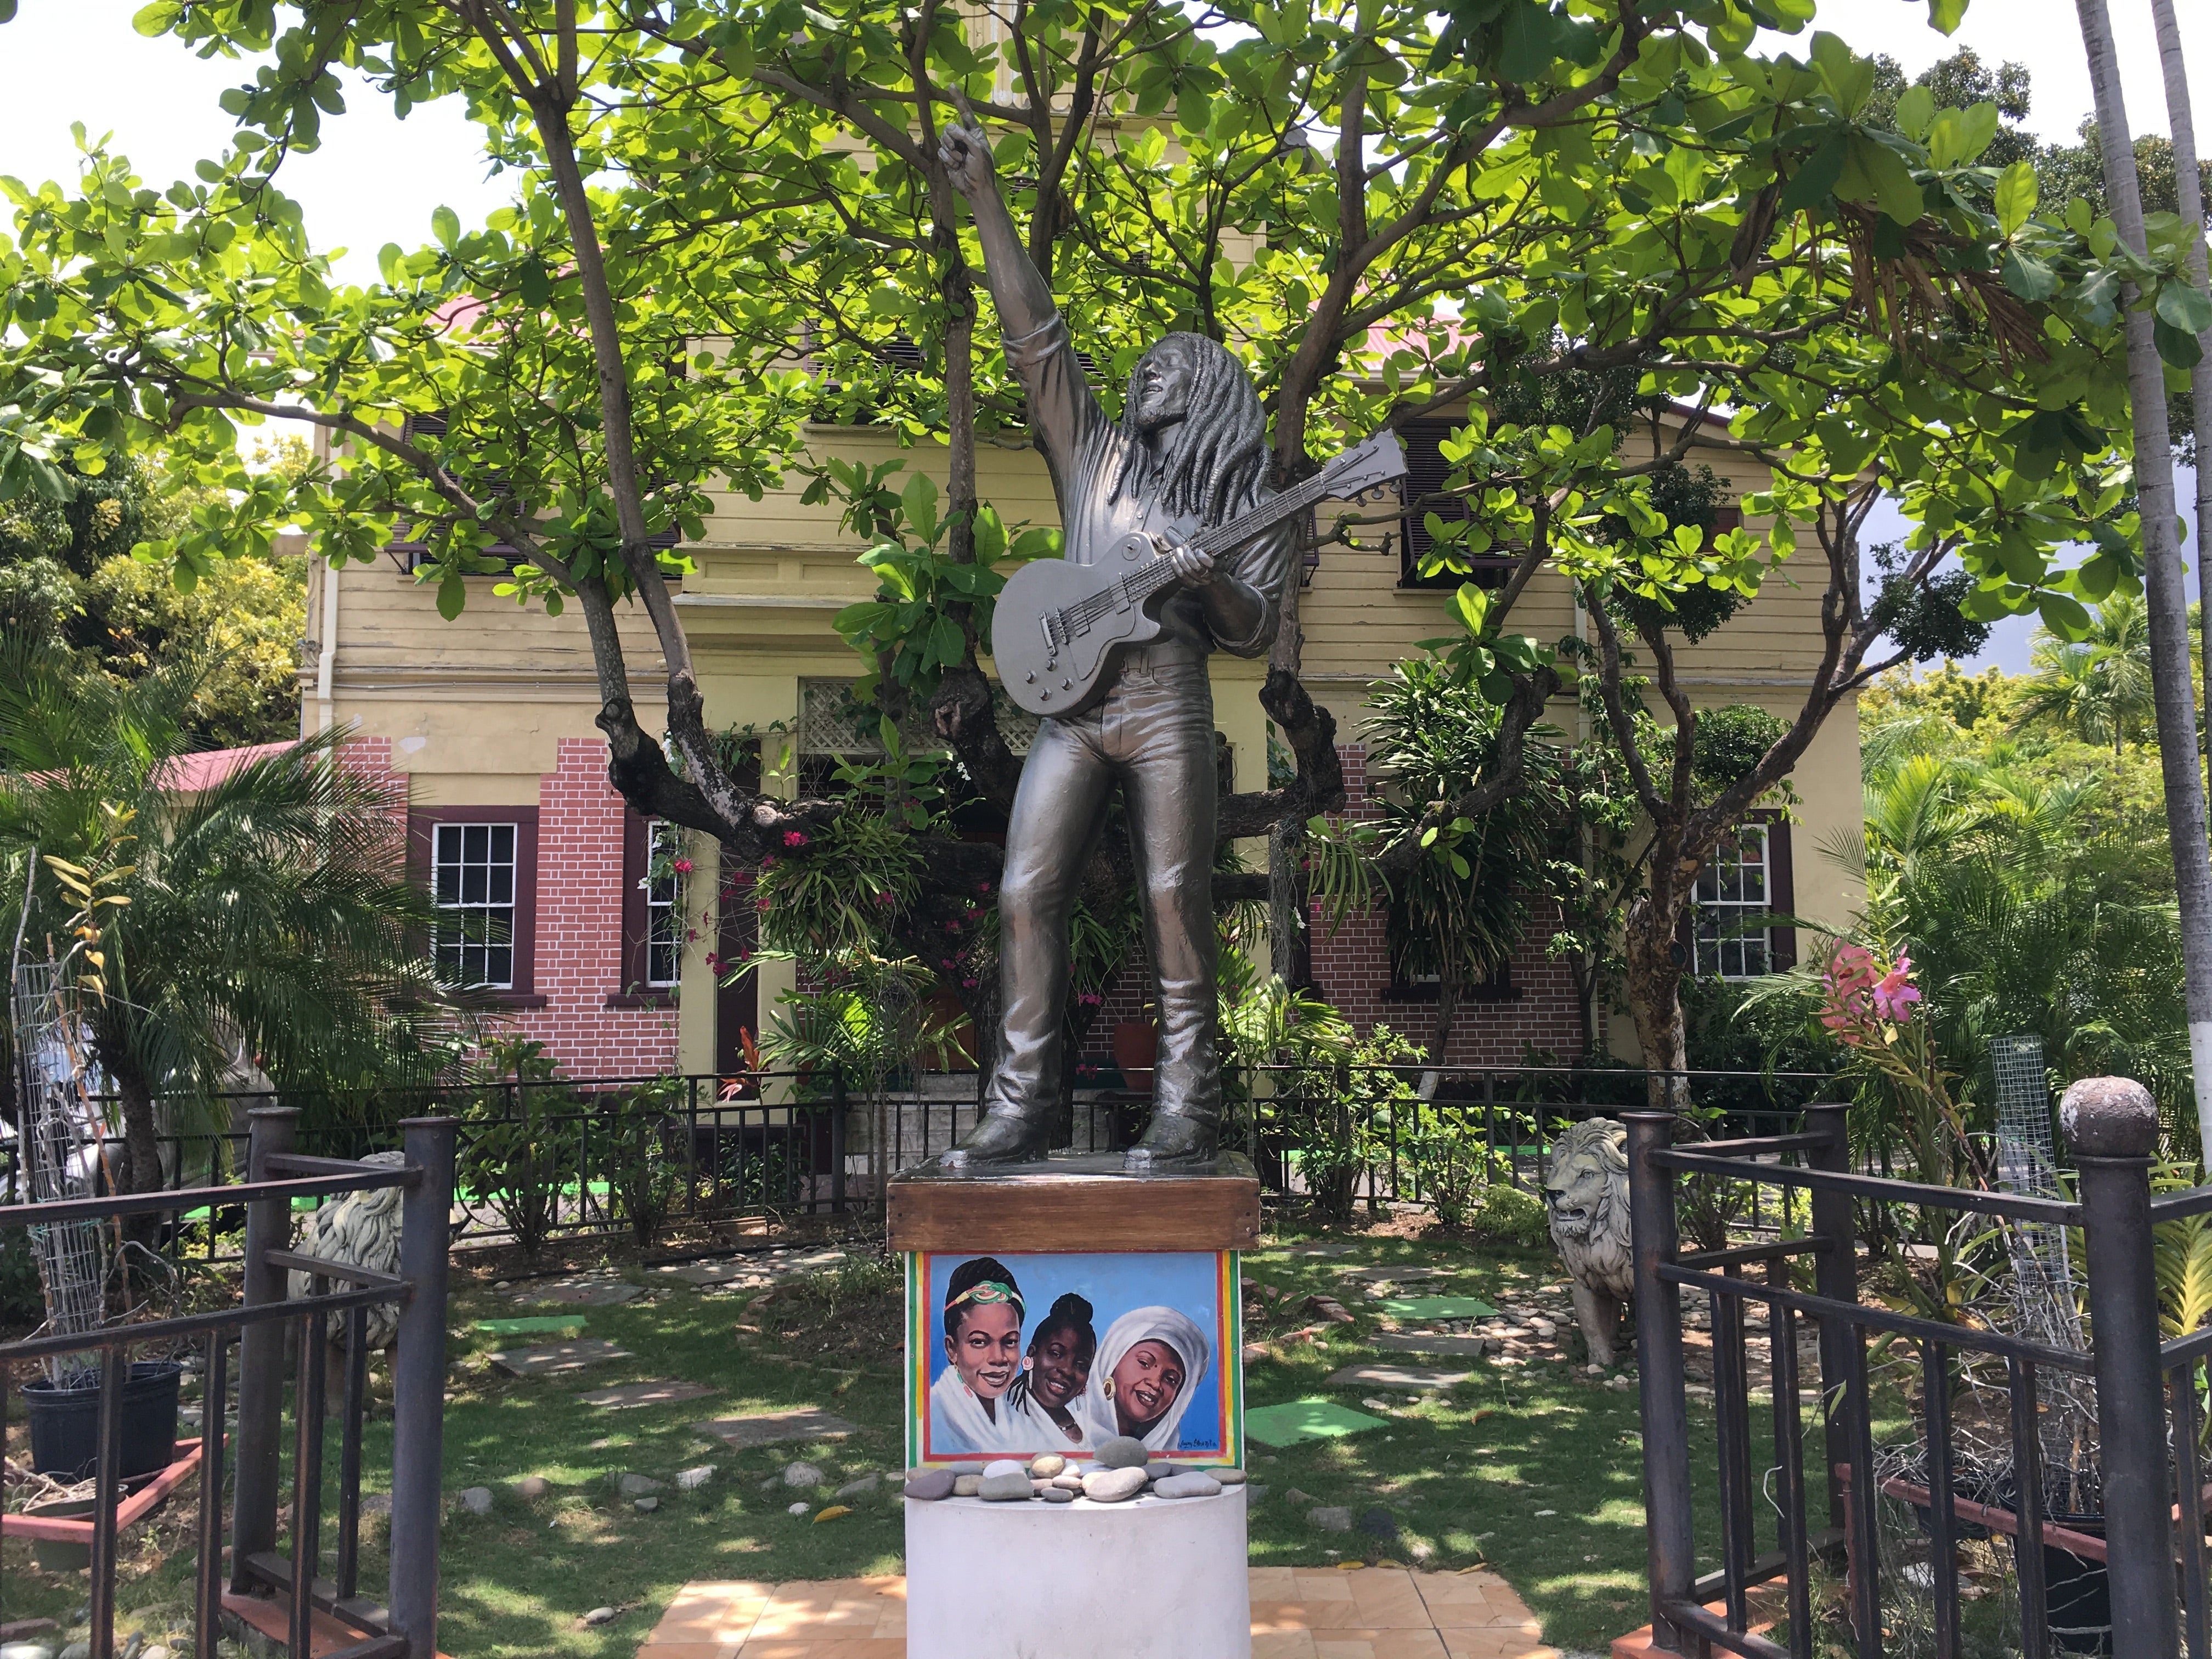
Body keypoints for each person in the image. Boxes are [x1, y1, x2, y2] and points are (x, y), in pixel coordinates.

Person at [935, 116, 1298, 1171]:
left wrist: (1211, 576)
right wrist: (986, 199)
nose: (1146, 372)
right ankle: (1023, 1108)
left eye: (1169, 366)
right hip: (1071, 704)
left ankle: (1188, 1107)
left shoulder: (1249, 504)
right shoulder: (1092, 456)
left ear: (1214, 389)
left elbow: (1254, 629)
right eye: (1141, 365)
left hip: (1167, 703)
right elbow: (1033, 330)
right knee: (1020, 891)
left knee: (1172, 896)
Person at [929, 1256, 1029, 1454]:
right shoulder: (936, 1415)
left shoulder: (1016, 1413)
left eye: (1010, 1341)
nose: (998, 1358)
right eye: (979, 1342)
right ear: (952, 1349)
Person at [1080, 1306, 1212, 1452]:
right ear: (1112, 1361)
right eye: (1144, 1363)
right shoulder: (1064, 1433)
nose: (1156, 1384)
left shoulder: (1170, 1457)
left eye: (1171, 1379)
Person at [1003, 1291, 1097, 1447]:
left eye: (1081, 1365)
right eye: (1056, 1354)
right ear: (1032, 1354)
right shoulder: (1005, 1415)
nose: (1067, 1370)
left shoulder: (1089, 1421)